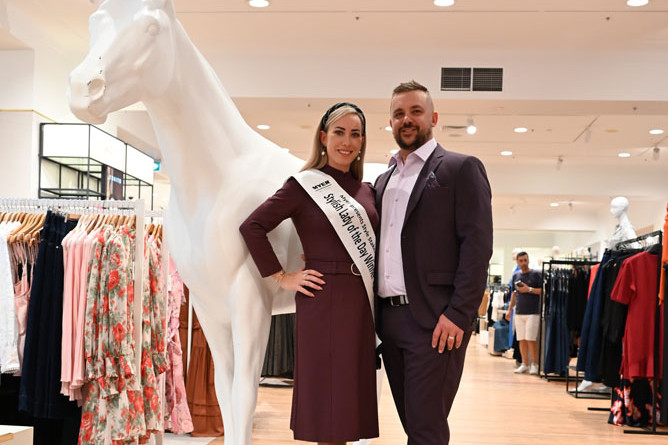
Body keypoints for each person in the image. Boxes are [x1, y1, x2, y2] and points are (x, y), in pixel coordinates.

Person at [239, 102, 379, 445]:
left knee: (347, 403)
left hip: (360, 301)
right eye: (339, 132)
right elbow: (252, 226)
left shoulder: (368, 191)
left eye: (355, 134)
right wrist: (282, 277)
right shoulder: (303, 186)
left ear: (362, 141)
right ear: (323, 137)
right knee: (327, 405)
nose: (347, 141)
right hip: (323, 299)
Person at [375, 80, 493, 445]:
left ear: (433, 117)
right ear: (390, 122)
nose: (406, 119)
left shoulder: (460, 169)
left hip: (435, 321)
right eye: (398, 114)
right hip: (388, 321)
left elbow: (477, 247)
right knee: (414, 423)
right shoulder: (383, 180)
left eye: (415, 111)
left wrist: (460, 313)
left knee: (426, 429)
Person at [505, 251, 542, 374]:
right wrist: (509, 310)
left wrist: (529, 289)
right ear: (517, 262)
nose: (523, 263)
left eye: (525, 260)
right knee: (521, 339)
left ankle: (534, 364)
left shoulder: (536, 274)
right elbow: (514, 294)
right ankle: (524, 363)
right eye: (521, 261)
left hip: (533, 312)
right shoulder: (516, 276)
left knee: (531, 338)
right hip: (519, 312)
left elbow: (543, 291)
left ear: (528, 260)